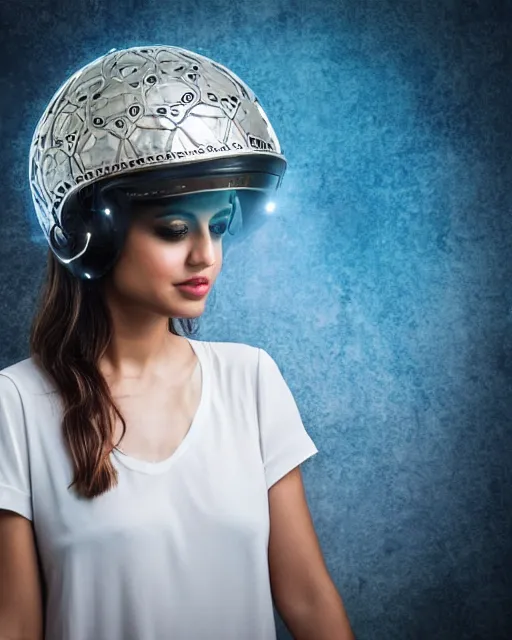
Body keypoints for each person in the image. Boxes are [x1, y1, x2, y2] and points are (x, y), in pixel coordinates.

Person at [0, 45, 354, 640]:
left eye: (218, 226)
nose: (206, 256)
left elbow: (310, 600)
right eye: (173, 229)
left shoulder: (252, 380)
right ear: (91, 233)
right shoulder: (15, 405)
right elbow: (15, 625)